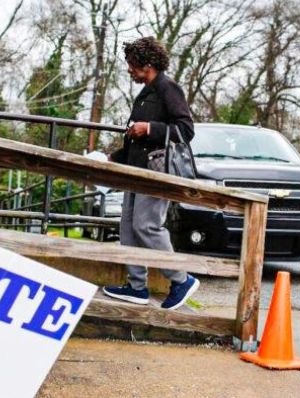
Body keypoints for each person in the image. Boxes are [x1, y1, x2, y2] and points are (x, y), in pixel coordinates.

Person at [102, 37, 199, 310]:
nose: (129, 70)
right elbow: (136, 142)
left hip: (156, 173)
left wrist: (150, 128)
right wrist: (112, 158)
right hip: (135, 172)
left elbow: (186, 131)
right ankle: (136, 287)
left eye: (131, 65)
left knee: (147, 226)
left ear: (147, 64)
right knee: (128, 227)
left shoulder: (168, 88)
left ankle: (180, 280)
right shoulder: (145, 93)